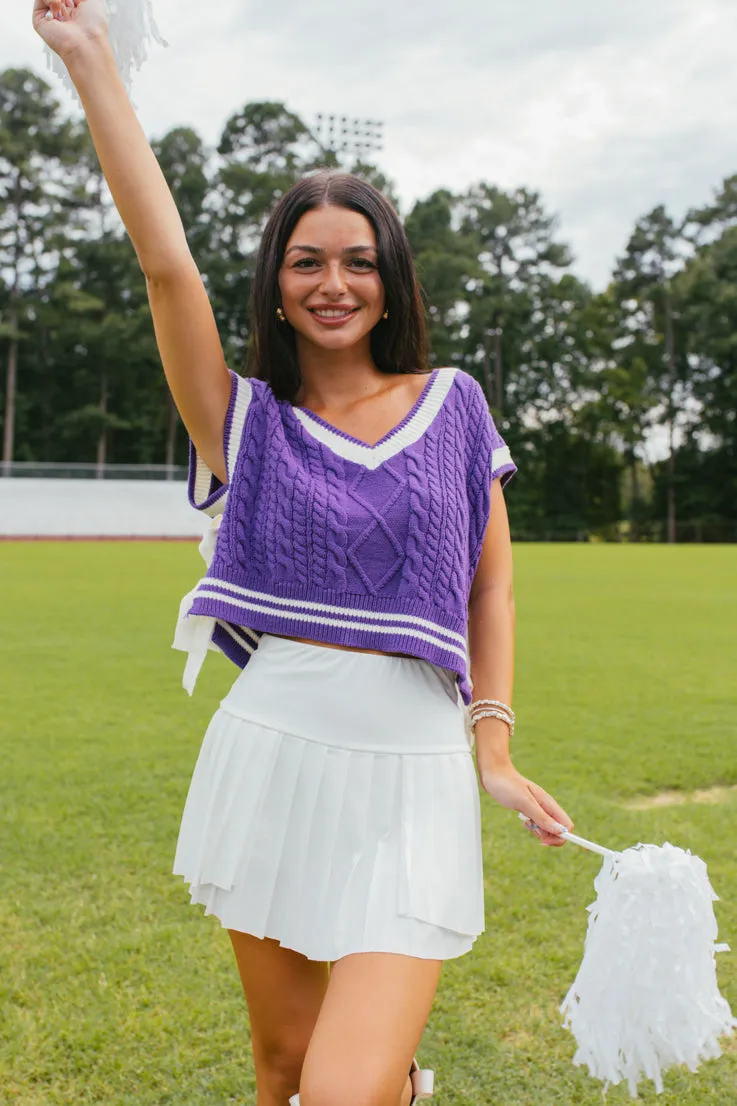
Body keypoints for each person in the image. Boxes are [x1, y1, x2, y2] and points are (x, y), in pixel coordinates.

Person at [35, 3, 575, 1104]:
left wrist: (493, 747)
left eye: (358, 262)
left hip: (413, 780)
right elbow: (164, 262)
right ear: (276, 283)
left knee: (340, 1089)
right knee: (282, 1070)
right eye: (305, 261)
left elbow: (490, 580)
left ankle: (401, 1087)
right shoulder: (243, 423)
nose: (333, 282)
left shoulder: (454, 404)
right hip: (273, 758)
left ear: (392, 280)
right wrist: (89, 55)